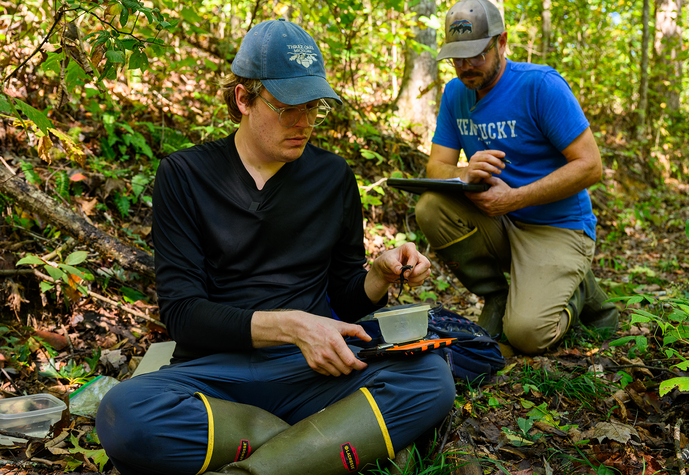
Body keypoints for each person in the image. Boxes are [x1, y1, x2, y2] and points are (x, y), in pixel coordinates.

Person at [95, 19, 455, 475]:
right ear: (244, 98)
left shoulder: (333, 179)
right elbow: (184, 314)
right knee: (123, 412)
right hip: (214, 376)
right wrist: (292, 326)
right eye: (289, 108)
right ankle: (320, 443)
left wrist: (378, 276)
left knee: (430, 379)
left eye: (315, 107)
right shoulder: (185, 175)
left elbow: (346, 298)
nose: (305, 123)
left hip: (313, 369)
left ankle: (257, 465)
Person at [415, 0, 618, 355]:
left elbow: (590, 166)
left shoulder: (540, 86)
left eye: (476, 54)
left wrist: (516, 198)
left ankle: (580, 288)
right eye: (457, 57)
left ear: (501, 42)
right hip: (500, 222)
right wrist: (464, 172)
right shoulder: (454, 94)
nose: (465, 66)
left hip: (558, 227)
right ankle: (497, 296)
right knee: (431, 207)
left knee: (527, 335)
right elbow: (436, 168)